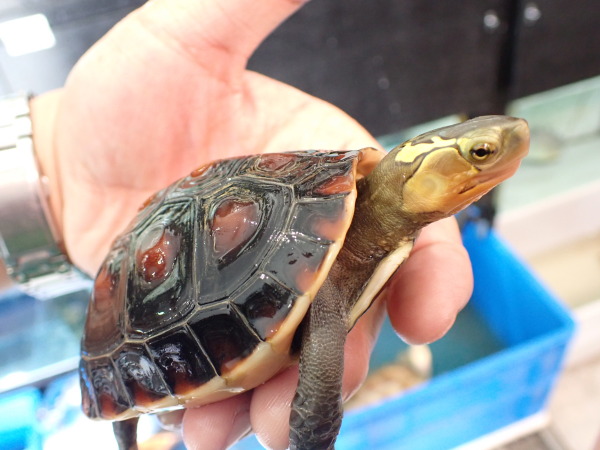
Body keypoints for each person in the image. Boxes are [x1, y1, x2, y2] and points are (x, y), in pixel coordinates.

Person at [28, 0, 473, 448]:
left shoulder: (342, 224)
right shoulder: (330, 264)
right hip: (139, 311)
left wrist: (51, 167)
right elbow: (321, 340)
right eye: (480, 154)